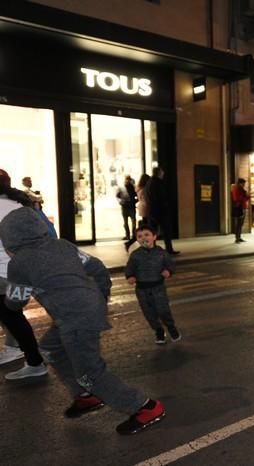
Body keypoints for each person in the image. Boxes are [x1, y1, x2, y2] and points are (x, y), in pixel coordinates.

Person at [0, 207, 165, 434]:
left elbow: (16, 301)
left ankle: (145, 407)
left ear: (11, 243)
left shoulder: (19, 263)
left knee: (90, 372)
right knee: (50, 348)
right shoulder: (62, 245)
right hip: (85, 308)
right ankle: (85, 395)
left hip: (74, 318)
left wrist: (9, 303)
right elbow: (97, 267)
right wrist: (101, 295)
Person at [0, 170, 47, 379]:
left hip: (3, 272)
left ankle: (35, 361)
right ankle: (20, 351)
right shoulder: (19, 205)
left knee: (12, 316)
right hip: (18, 270)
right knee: (12, 315)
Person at [125, 224, 180, 345]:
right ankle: (159, 331)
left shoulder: (162, 253)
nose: (143, 238)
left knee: (163, 310)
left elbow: (170, 265)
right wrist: (130, 276)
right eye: (139, 236)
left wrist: (168, 271)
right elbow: (129, 268)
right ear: (137, 239)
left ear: (154, 237)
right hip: (142, 289)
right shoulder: (135, 255)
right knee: (149, 313)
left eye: (146, 235)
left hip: (158, 288)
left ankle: (171, 327)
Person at [145, 167, 179, 255]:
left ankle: (152, 250)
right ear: (159, 173)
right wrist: (165, 207)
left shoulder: (149, 182)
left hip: (152, 211)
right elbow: (160, 198)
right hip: (160, 212)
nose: (163, 174)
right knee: (166, 231)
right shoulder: (157, 183)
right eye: (162, 172)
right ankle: (168, 249)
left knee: (153, 232)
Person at [126, 174, 150, 252]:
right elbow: (147, 199)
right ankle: (133, 242)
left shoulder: (139, 188)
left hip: (142, 207)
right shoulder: (145, 189)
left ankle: (132, 242)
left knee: (145, 228)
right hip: (146, 208)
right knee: (147, 229)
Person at [117, 175, 138, 242]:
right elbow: (117, 196)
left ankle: (133, 236)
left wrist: (134, 201)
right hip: (125, 206)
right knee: (126, 222)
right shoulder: (122, 188)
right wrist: (120, 201)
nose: (127, 181)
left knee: (133, 222)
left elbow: (137, 195)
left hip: (131, 206)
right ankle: (128, 235)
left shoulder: (133, 187)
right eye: (126, 179)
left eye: (128, 180)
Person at [231, 178, 250, 243]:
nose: (244, 185)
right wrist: (245, 196)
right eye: (243, 183)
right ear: (240, 183)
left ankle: (239, 237)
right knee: (239, 223)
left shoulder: (241, 190)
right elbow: (236, 198)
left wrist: (247, 196)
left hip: (243, 207)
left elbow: (246, 198)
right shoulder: (236, 189)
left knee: (240, 224)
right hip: (239, 208)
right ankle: (237, 238)